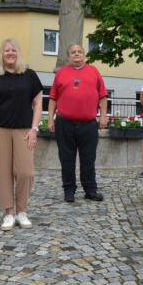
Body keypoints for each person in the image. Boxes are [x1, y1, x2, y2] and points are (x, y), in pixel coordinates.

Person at [0, 39, 44, 229]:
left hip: (24, 130)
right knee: (4, 172)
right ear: (1, 53)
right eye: (7, 50)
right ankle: (9, 212)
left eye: (13, 50)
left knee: (26, 172)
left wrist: (34, 129)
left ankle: (22, 211)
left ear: (18, 53)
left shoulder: (30, 75)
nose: (10, 53)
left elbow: (39, 104)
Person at [47, 44, 108, 203]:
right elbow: (53, 98)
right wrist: (49, 119)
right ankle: (69, 190)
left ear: (84, 55)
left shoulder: (94, 71)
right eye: (73, 52)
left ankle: (90, 190)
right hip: (64, 123)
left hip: (88, 124)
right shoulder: (61, 73)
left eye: (79, 52)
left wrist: (103, 117)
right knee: (66, 158)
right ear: (68, 56)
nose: (77, 54)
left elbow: (102, 96)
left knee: (88, 159)